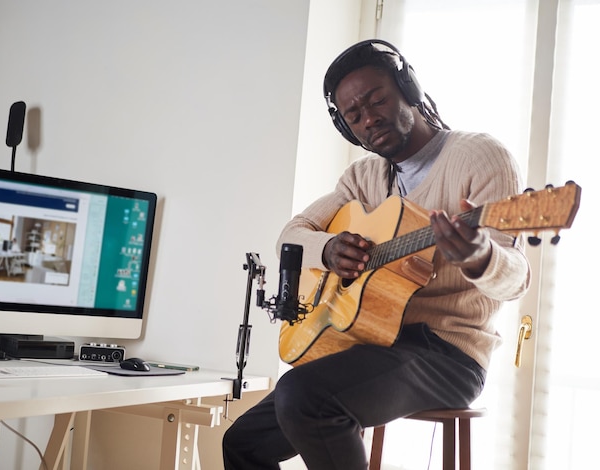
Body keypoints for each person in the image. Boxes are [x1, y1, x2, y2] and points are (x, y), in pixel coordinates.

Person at [222, 39, 531, 469]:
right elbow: (290, 237)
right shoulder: (362, 178)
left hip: (447, 354)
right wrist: (328, 250)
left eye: (377, 100)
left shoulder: (480, 157)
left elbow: (515, 277)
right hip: (366, 343)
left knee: (302, 394)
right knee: (241, 443)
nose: (369, 119)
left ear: (409, 90)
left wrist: (480, 257)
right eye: (354, 115)